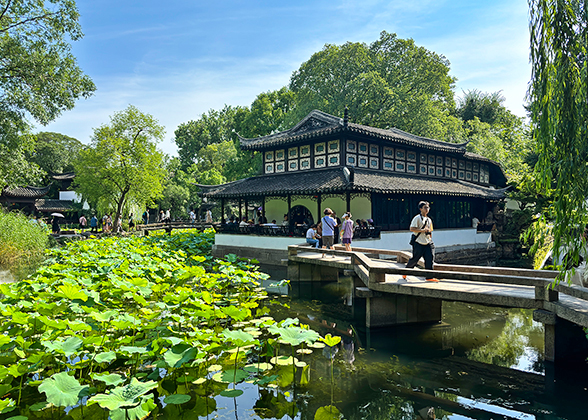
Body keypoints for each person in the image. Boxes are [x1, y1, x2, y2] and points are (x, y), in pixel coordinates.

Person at [405, 201, 438, 282]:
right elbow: (412, 228)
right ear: (420, 209)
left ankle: (429, 277)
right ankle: (405, 272)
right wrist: (422, 230)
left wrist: (430, 237)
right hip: (418, 242)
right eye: (425, 207)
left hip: (428, 242)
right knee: (415, 259)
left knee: (430, 259)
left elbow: (430, 230)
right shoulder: (417, 218)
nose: (427, 209)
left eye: (428, 207)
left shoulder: (429, 219)